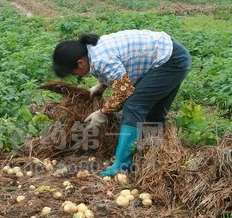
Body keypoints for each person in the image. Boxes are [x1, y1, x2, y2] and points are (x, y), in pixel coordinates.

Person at [52, 29, 191, 177]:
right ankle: (153, 155)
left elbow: (124, 91)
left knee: (133, 105)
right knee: (153, 112)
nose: (76, 76)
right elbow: (117, 71)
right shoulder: (91, 51)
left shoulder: (101, 59)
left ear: (80, 63)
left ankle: (121, 165)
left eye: (73, 73)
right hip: (169, 53)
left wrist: (102, 113)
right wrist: (101, 85)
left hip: (171, 61)